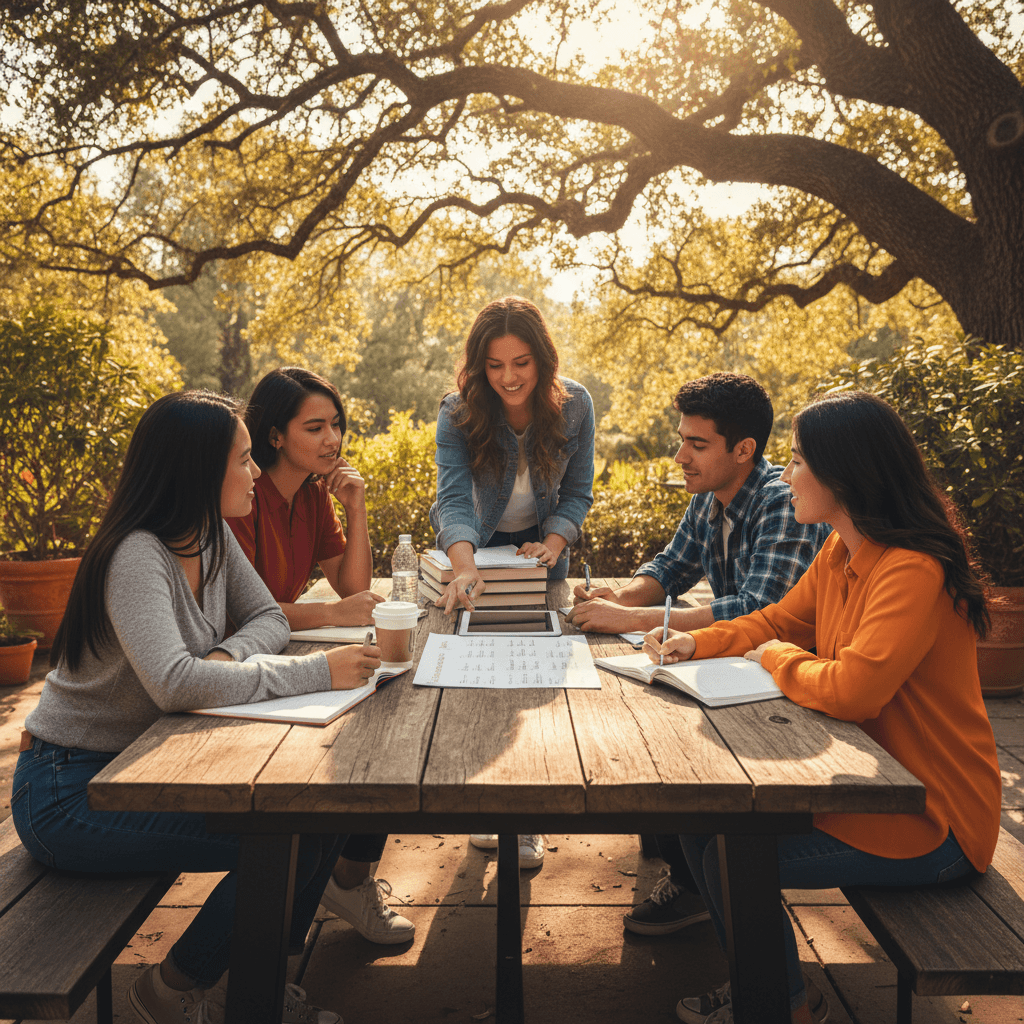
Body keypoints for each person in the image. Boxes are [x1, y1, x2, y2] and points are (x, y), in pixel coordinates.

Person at [12, 390, 379, 1024]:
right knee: (279, 837)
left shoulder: (206, 535)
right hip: (73, 790)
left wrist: (222, 661)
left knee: (321, 816)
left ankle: (258, 986)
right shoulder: (136, 556)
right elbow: (175, 687)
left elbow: (266, 616)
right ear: (198, 469)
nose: (256, 472)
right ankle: (172, 989)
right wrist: (316, 669)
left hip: (144, 764)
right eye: (242, 460)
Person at [644, 390, 1002, 1024]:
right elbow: (779, 618)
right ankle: (776, 987)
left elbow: (853, 689)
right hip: (872, 785)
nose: (786, 475)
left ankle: (777, 1004)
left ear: (846, 472)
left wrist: (778, 658)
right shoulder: (841, 550)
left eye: (800, 460)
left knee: (735, 853)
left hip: (933, 815)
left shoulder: (912, 569)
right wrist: (697, 641)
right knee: (701, 821)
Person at [569, 372, 830, 938]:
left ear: (744, 451)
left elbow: (759, 609)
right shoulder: (712, 495)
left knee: (666, 738)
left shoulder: (783, 502)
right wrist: (618, 597)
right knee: (634, 716)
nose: (681, 454)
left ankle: (699, 881)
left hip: (782, 685)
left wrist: (634, 619)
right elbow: (668, 569)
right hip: (729, 666)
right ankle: (684, 861)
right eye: (681, 439)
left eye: (697, 444)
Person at [228, 366, 414, 945]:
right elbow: (242, 616)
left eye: (336, 425)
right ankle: (311, 895)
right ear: (275, 435)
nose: (333, 440)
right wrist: (332, 615)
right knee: (358, 752)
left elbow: (351, 585)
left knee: (388, 731)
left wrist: (356, 506)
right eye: (316, 427)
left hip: (286, 657)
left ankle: (346, 877)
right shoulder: (242, 501)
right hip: (242, 673)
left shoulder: (312, 496)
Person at [430, 296, 596, 870]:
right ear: (479, 367)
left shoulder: (575, 406)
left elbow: (577, 491)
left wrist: (554, 543)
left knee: (533, 689)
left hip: (542, 555)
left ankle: (526, 821)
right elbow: (452, 495)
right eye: (494, 366)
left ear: (542, 360)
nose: (508, 378)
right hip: (477, 548)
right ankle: (484, 804)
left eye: (520, 363)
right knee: (477, 687)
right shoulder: (458, 412)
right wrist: (465, 563)